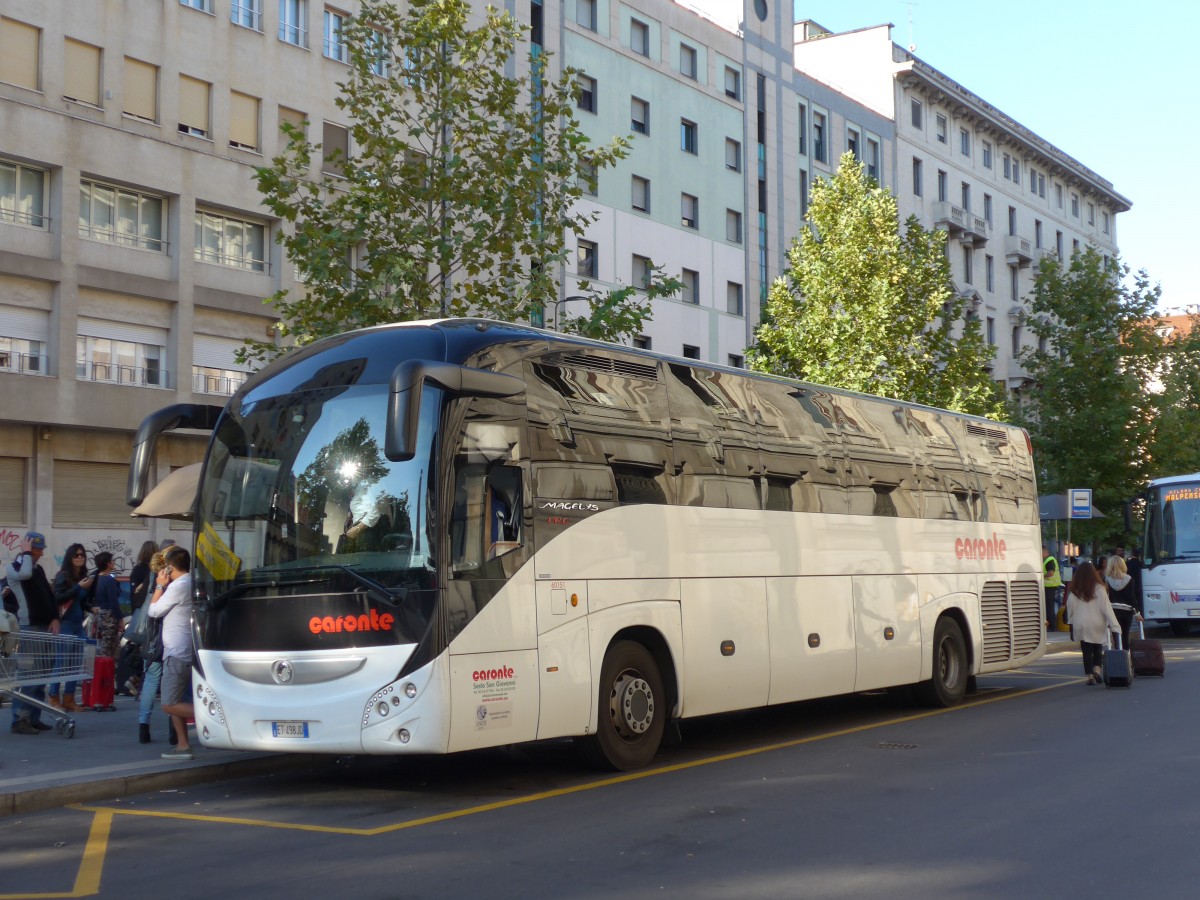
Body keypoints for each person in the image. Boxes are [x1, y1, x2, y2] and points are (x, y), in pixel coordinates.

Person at [6, 533, 60, 734]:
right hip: (30, 627)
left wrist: (55, 617)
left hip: (44, 626)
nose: (41, 553)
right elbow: (25, 574)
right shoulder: (15, 568)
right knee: (29, 674)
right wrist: (26, 553)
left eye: (40, 549)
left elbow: (49, 595)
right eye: (37, 549)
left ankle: (34, 716)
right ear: (27, 548)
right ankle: (20, 719)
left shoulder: (39, 570)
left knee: (42, 674)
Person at [147, 545, 195, 760]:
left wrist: (159, 586)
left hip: (177, 652)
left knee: (169, 704)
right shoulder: (190, 582)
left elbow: (154, 611)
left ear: (169, 568)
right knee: (174, 698)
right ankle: (182, 745)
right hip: (181, 650)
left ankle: (214, 717)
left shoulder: (178, 586)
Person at [49, 543, 95, 711]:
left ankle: (69, 698)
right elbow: (58, 598)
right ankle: (53, 697)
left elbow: (80, 602)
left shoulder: (82, 577)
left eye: (82, 554)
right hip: (65, 624)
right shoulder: (63, 576)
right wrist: (78, 587)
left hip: (78, 625)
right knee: (61, 663)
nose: (79, 557)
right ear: (69, 557)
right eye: (76, 555)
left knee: (76, 664)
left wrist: (91, 608)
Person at [1066, 561, 1122, 685]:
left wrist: (1070, 623)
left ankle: (1090, 676)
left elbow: (1070, 608)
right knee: (1097, 648)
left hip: (1081, 623)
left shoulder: (1075, 590)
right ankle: (1097, 670)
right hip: (1097, 622)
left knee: (1086, 651)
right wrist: (1115, 626)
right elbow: (1106, 608)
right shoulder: (1100, 588)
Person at [136, 550, 168, 744]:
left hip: (153, 639)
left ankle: (143, 726)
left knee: (151, 679)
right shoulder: (171, 583)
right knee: (175, 683)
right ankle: (175, 728)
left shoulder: (153, 581)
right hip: (171, 639)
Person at [89, 551, 122, 660]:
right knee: (109, 648)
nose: (114, 562)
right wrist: (120, 618)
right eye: (112, 560)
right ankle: (107, 673)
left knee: (100, 647)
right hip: (109, 617)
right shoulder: (109, 581)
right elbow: (114, 602)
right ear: (108, 564)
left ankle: (99, 670)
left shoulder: (95, 578)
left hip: (98, 615)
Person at [1105, 555, 1141, 650]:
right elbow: (1132, 597)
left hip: (1113, 610)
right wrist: (1137, 613)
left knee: (1116, 636)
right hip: (1127, 611)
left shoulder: (1107, 580)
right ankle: (1126, 657)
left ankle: (1118, 657)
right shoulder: (1129, 579)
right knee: (1125, 635)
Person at [1042, 545, 1062, 631]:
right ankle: (1051, 625)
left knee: (1049, 607)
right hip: (1050, 586)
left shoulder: (1049, 560)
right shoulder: (1048, 560)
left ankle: (1052, 626)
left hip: (1050, 586)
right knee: (1049, 606)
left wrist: (1041, 576)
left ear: (1044, 551)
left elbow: (1051, 573)